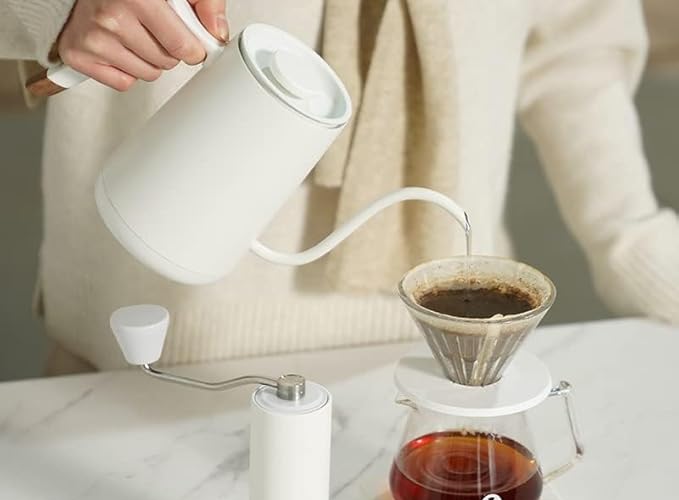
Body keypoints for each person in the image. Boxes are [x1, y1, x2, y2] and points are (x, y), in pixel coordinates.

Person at [1, 0, 678, 374]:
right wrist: (57, 10)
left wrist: (631, 236)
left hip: (445, 354)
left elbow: (575, 48)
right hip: (145, 361)